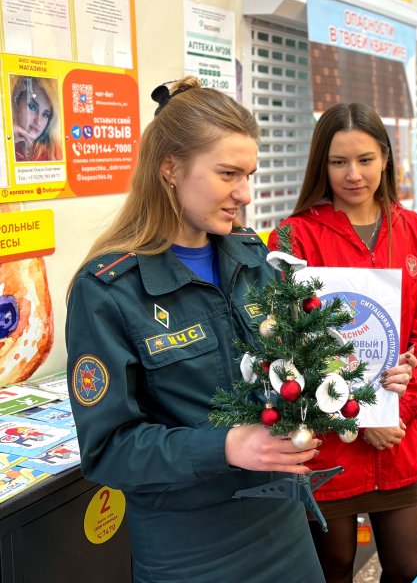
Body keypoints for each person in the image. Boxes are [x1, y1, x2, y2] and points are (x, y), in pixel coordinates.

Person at [65, 77, 325, 583]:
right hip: (189, 547)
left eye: (248, 174)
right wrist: (225, 445)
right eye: (228, 173)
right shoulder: (109, 290)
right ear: (170, 168)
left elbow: (292, 369)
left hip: (282, 522)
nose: (245, 194)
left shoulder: (254, 258)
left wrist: (356, 379)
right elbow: (108, 450)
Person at [269, 102, 417, 583]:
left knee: (405, 566)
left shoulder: (415, 232)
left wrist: (396, 412)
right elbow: (287, 347)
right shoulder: (293, 237)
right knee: (335, 566)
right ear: (320, 165)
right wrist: (360, 416)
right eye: (338, 162)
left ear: (386, 159)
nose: (353, 175)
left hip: (400, 436)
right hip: (330, 443)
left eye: (365, 160)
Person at [10, 75, 62, 162]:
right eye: (32, 107)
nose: (38, 121)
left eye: (45, 114)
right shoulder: (5, 142)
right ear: (17, 101)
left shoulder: (53, 154)